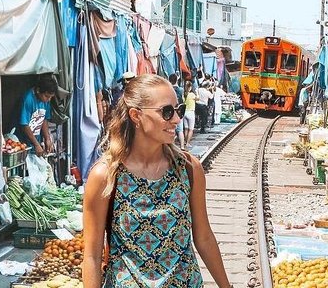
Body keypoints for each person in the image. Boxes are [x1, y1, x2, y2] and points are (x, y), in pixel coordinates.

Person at [81, 74, 232, 288]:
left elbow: (204, 236)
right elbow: (92, 256)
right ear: (136, 115)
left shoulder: (189, 169)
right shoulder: (106, 175)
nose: (177, 120)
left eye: (178, 110)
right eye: (166, 112)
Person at [169, 73, 185, 149]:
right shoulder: (181, 90)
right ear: (177, 80)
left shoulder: (168, 90)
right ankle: (182, 147)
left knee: (171, 130)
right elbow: (183, 100)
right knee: (180, 130)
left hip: (171, 113)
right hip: (179, 112)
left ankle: (173, 147)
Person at [183, 81, 197, 148]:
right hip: (191, 113)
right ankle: (188, 143)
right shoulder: (192, 95)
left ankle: (185, 142)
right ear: (190, 87)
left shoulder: (184, 94)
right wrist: (196, 92)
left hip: (185, 113)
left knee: (186, 129)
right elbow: (198, 98)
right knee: (191, 129)